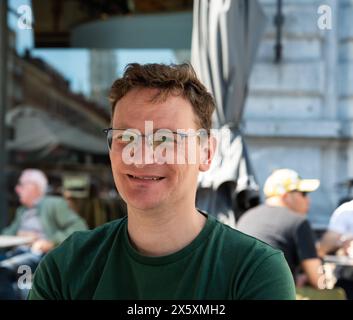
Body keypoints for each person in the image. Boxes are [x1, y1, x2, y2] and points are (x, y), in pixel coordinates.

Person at [28, 63, 295, 300]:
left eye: (165, 138)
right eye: (127, 137)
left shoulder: (255, 270)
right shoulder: (65, 267)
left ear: (207, 152)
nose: (141, 157)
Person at [0, 169, 88, 299]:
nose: (17, 190)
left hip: (38, 254)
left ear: (34, 187)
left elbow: (80, 227)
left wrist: (50, 242)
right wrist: (20, 235)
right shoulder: (22, 211)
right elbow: (7, 234)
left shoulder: (54, 203)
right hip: (17, 253)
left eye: (21, 185)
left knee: (3, 270)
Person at [237, 169, 323, 289]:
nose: (308, 200)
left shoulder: (246, 217)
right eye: (304, 194)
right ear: (286, 196)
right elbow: (318, 280)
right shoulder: (298, 222)